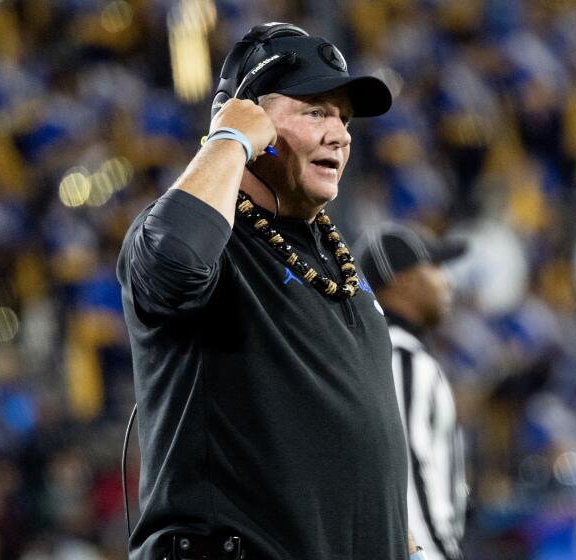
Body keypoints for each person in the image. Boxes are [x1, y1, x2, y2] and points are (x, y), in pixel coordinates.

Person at [118, 23, 417, 559]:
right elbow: (173, 262)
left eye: (344, 119)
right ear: (248, 116)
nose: (341, 135)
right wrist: (228, 139)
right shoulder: (208, 240)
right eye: (315, 112)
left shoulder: (329, 254)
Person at [355, 223, 469, 560]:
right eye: (434, 267)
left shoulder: (381, 352)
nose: (447, 281)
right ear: (401, 280)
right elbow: (409, 480)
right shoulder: (400, 359)